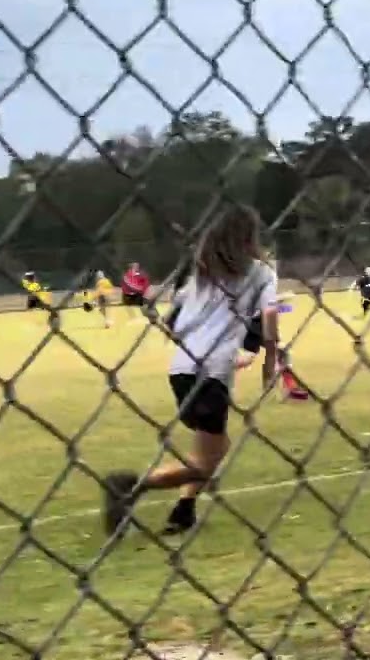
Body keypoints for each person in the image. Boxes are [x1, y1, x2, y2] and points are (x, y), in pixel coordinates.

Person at [102, 204, 280, 538]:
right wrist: (267, 360)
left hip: (182, 369)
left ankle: (184, 510)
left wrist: (208, 337)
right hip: (213, 372)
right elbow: (269, 314)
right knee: (204, 460)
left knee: (216, 446)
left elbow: (171, 324)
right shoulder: (260, 272)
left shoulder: (198, 273)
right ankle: (132, 486)